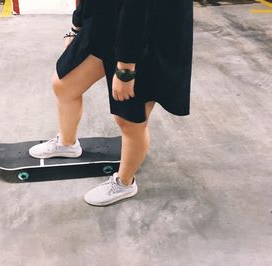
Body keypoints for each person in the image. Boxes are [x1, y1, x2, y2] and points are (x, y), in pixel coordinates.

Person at [29, 0, 194, 206]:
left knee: (129, 120)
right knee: (64, 85)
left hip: (147, 30)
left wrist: (126, 68)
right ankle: (67, 143)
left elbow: (139, 7)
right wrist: (76, 26)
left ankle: (125, 182)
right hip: (106, 16)